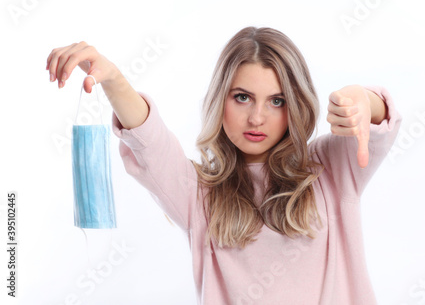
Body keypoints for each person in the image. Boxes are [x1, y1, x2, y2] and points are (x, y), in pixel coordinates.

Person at [46, 26, 402, 304]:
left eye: (277, 101)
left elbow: (379, 120)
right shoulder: (199, 197)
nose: (257, 117)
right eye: (242, 97)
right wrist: (113, 80)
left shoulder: (328, 169)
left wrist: (362, 99)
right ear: (222, 100)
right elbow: (151, 141)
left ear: (295, 105)